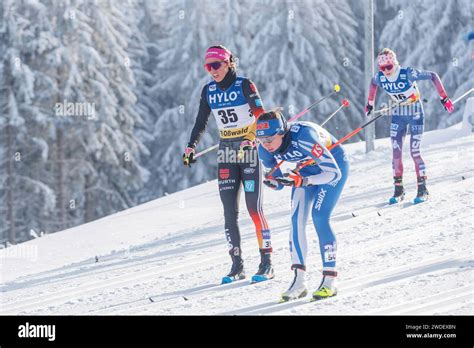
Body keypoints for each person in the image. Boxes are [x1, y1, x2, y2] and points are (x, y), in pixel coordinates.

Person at [183, 45, 274, 284]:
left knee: (254, 209)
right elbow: (200, 122)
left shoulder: (245, 85)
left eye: (216, 65)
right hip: (226, 151)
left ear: (228, 63)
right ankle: (237, 265)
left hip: (248, 150)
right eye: (208, 66)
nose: (212, 71)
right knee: (228, 213)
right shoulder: (209, 90)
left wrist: (251, 138)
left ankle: (267, 263)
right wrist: (191, 146)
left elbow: (261, 116)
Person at [256, 109, 349, 302]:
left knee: (319, 216)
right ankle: (299, 282)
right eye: (262, 140)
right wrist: (276, 183)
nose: (266, 145)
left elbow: (333, 173)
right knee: (296, 220)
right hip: (305, 171)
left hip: (333, 166)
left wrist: (303, 182)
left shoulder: (305, 136)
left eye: (270, 139)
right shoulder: (264, 149)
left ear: (282, 132)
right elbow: (278, 181)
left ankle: (330, 280)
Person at [364, 48, 454, 204]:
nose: (386, 71)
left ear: (395, 63)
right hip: (398, 115)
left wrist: (444, 98)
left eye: (389, 67)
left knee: (415, 152)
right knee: (396, 153)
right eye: (382, 68)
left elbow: (433, 76)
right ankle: (399, 190)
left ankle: (423, 189)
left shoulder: (407, 73)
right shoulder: (380, 77)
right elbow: (373, 84)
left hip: (415, 113)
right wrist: (370, 104)